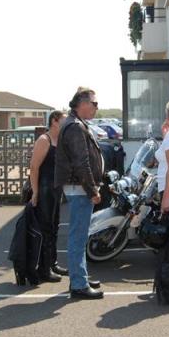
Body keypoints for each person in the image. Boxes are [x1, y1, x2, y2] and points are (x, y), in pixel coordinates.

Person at [54, 87, 104, 299]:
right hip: (80, 189)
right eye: (94, 103)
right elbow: (81, 163)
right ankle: (78, 284)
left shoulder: (76, 123)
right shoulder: (75, 126)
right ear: (82, 103)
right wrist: (92, 190)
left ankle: (79, 277)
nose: (96, 107)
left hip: (79, 188)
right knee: (78, 237)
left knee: (80, 236)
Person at [29, 110, 67, 282]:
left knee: (54, 227)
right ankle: (44, 269)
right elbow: (34, 167)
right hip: (44, 189)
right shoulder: (44, 140)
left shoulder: (60, 140)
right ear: (54, 121)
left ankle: (53, 263)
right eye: (64, 120)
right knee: (45, 229)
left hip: (55, 189)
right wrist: (35, 192)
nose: (66, 123)